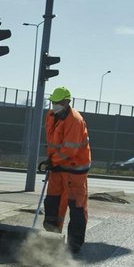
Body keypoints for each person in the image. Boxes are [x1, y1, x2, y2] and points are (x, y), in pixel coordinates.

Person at [42, 86, 92, 254]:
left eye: (58, 102)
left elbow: (70, 150)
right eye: (53, 102)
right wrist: (51, 161)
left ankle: (74, 245)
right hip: (57, 166)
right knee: (52, 201)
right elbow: (53, 144)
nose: (54, 105)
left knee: (76, 206)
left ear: (66, 102)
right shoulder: (50, 116)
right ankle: (51, 238)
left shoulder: (75, 121)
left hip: (75, 169)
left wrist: (52, 161)